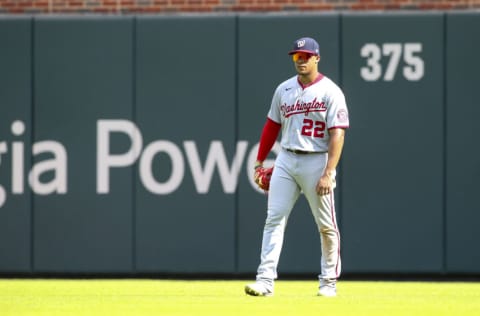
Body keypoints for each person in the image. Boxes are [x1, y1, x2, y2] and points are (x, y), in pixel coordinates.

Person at [245, 37, 349, 297]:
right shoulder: (284, 89)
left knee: (325, 224)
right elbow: (272, 125)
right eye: (296, 56)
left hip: (317, 159)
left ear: (316, 58)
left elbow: (338, 134)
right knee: (274, 218)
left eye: (305, 56)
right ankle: (265, 281)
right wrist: (259, 161)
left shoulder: (330, 91)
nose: (300, 60)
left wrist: (329, 172)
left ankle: (328, 282)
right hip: (287, 158)